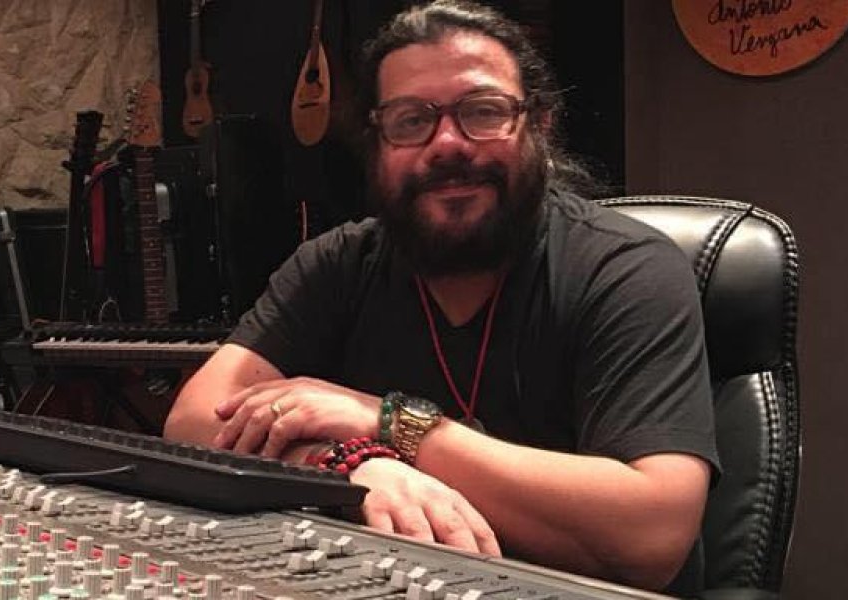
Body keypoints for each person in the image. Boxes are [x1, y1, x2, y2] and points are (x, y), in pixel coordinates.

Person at [164, 0, 719, 595]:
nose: (448, 143)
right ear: (378, 142)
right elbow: (193, 421)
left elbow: (652, 535)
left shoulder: (625, 268)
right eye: (410, 120)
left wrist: (390, 423)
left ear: (540, 125)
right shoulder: (338, 263)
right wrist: (351, 463)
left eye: (483, 112)